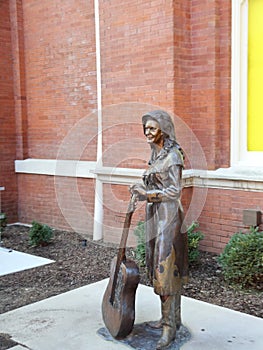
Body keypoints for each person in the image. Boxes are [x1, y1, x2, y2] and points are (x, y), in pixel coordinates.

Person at [130, 110, 188, 349]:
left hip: (169, 219)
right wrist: (139, 190)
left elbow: (175, 192)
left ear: (163, 130)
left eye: (152, 129)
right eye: (145, 129)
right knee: (159, 267)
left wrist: (147, 194)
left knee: (165, 272)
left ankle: (169, 329)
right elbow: (154, 183)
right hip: (156, 216)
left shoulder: (173, 157)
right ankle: (171, 319)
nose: (147, 133)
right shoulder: (156, 155)